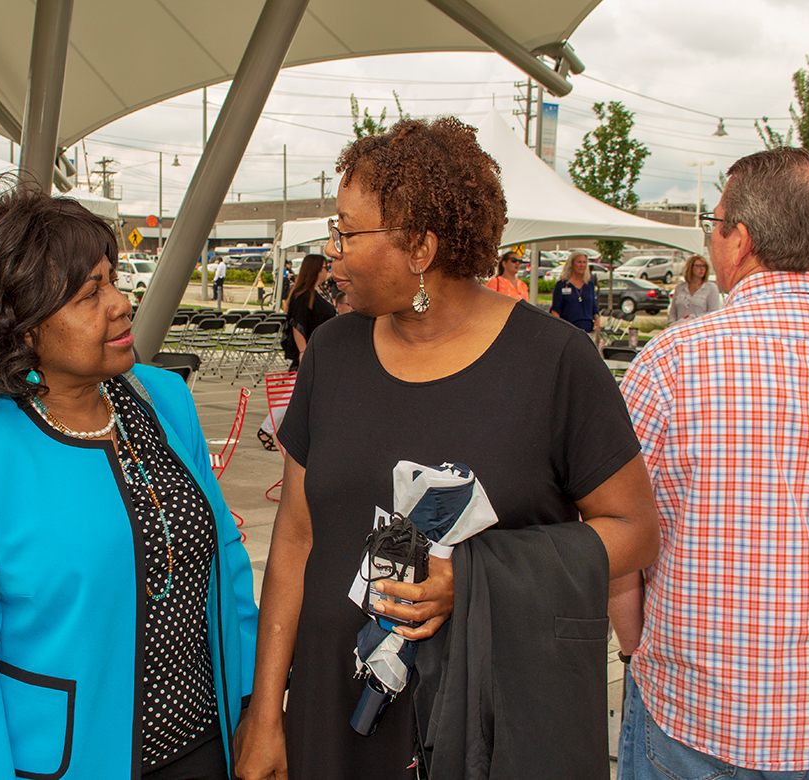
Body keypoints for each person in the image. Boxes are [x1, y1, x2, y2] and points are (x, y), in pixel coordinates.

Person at [235, 117, 659, 780]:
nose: (334, 252)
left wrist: (479, 576)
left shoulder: (554, 363)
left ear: (420, 247)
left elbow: (636, 532)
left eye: (347, 231)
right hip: (331, 710)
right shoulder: (333, 357)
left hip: (484, 722)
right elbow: (293, 538)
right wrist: (266, 714)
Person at [0, 187, 257, 780]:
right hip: (69, 760)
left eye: (113, 281)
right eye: (91, 293)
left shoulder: (163, 398)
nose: (121, 304)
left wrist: (255, 706)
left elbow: (225, 554)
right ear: (23, 324)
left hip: (206, 743)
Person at [615, 147, 809, 778]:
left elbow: (614, 527)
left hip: (691, 706)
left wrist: (633, 648)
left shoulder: (671, 361)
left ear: (741, 240)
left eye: (716, 219)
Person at [255, 254, 335, 452]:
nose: (328, 271)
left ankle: (271, 429)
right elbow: (297, 325)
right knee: (292, 393)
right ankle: (267, 429)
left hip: (317, 351)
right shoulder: (302, 295)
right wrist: (302, 351)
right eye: (325, 267)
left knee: (298, 394)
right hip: (307, 352)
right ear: (316, 269)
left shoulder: (316, 291)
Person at [550, 250, 599, 332]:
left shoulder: (589, 284)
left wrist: (597, 319)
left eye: (584, 262)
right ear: (572, 264)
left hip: (587, 328)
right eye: (579, 262)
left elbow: (593, 305)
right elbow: (555, 309)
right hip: (568, 328)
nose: (582, 265)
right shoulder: (562, 284)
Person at [666, 254, 720, 323]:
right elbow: (673, 311)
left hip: (699, 329)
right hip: (680, 329)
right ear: (690, 267)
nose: (702, 268)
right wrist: (672, 324)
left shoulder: (711, 288)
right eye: (698, 266)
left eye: (704, 266)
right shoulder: (680, 287)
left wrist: (694, 318)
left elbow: (713, 313)